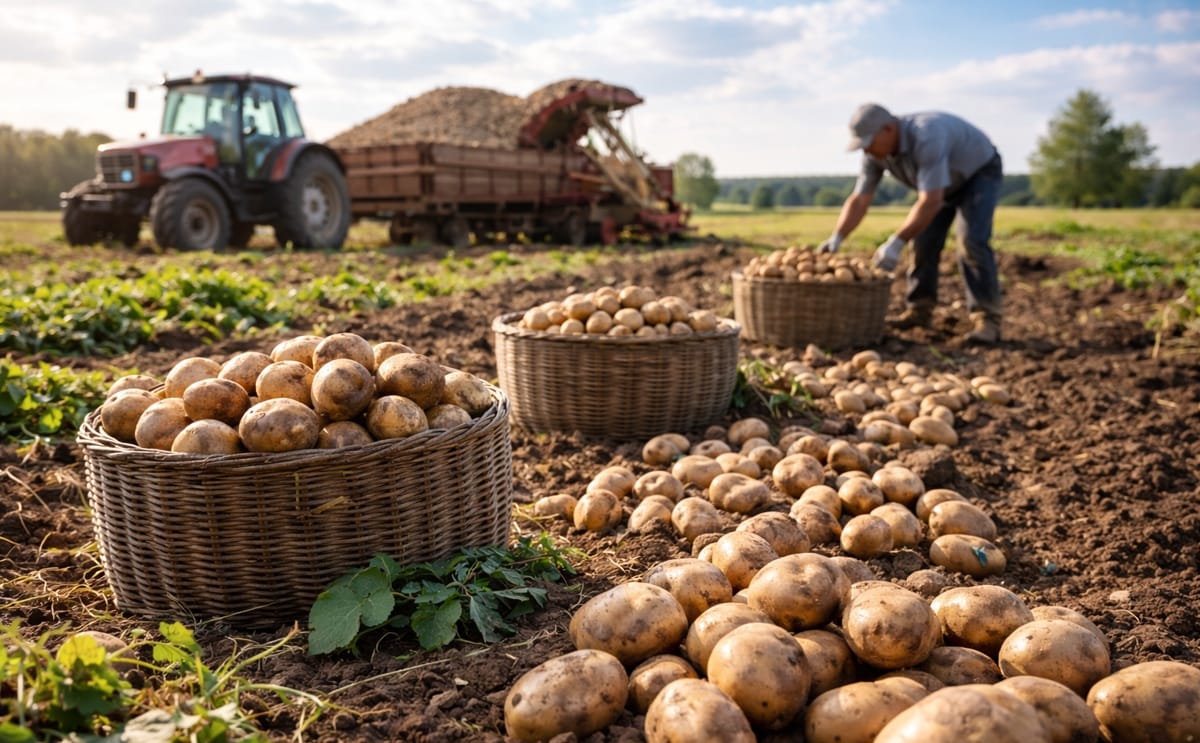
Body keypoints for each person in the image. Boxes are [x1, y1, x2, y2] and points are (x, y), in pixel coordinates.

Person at [818, 103, 1004, 344]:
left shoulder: (927, 135)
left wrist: (895, 242)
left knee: (972, 241)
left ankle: (987, 319)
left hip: (978, 173)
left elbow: (931, 201)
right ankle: (920, 310)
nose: (866, 152)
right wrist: (837, 237)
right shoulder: (875, 153)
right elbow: (860, 199)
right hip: (938, 186)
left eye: (868, 143)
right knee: (923, 241)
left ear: (888, 129)